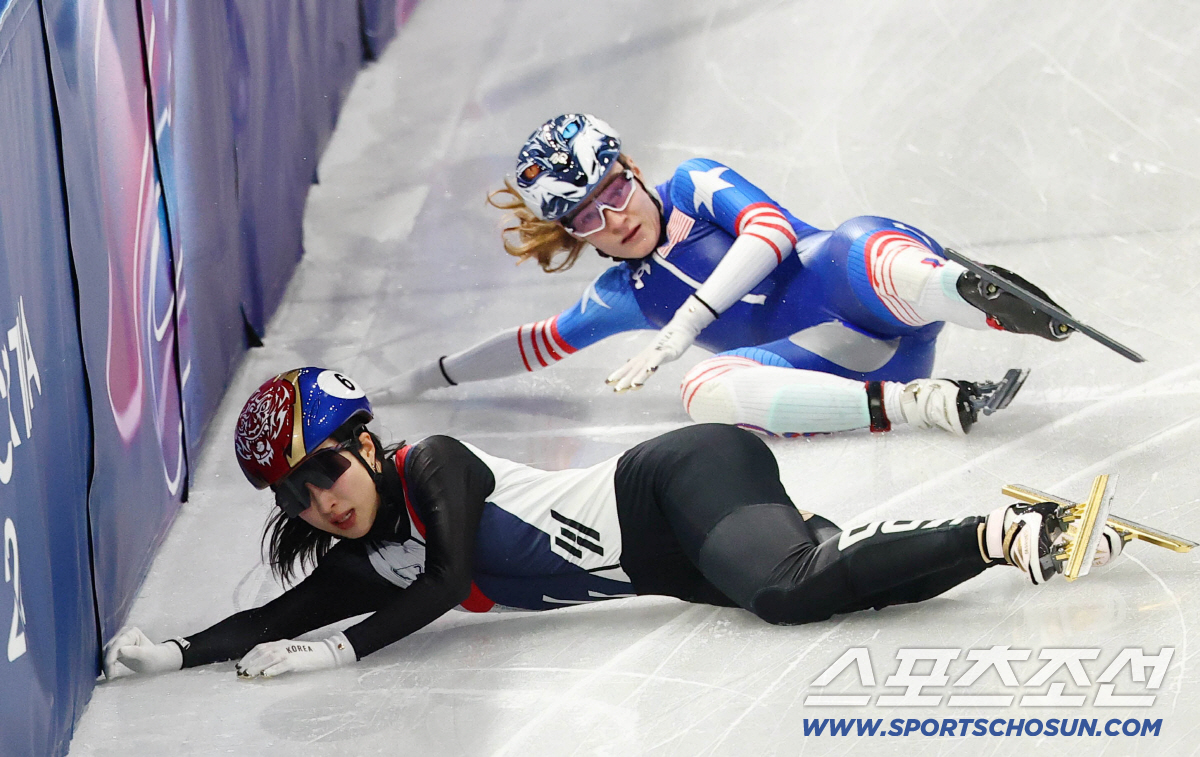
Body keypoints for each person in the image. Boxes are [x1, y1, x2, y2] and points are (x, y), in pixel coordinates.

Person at [102, 367, 1123, 681]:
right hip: (678, 560)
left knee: (786, 593)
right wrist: (172, 652)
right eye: (295, 496)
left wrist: (339, 652)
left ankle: (997, 532)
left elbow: (450, 579)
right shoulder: (371, 559)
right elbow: (270, 619)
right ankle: (1022, 534)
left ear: (366, 444)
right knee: (817, 589)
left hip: (673, 482)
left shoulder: (432, 465)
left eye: (325, 470)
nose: (322, 503)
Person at [374, 113, 1074, 438]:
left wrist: (686, 322)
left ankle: (968, 296)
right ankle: (921, 404)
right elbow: (535, 343)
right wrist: (422, 379)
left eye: (614, 191)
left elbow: (770, 233)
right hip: (859, 369)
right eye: (588, 217)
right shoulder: (620, 296)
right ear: (574, 236)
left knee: (852, 241)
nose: (614, 219)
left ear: (632, 170)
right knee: (701, 390)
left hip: (871, 286)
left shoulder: (694, 184)